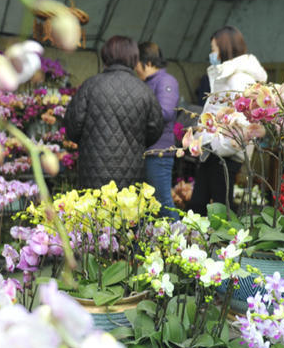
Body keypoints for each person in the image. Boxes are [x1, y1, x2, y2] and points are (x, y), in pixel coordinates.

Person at [64, 36, 163, 189]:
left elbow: (72, 127)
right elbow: (155, 129)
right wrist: (135, 144)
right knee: (127, 211)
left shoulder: (89, 86)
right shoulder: (144, 91)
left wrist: (90, 144)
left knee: (94, 210)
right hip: (132, 172)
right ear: (134, 58)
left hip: (92, 171)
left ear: (106, 55)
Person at [188, 26, 267, 214]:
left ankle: (223, 243)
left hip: (223, 154)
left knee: (222, 211)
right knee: (199, 205)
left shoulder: (237, 79)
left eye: (214, 49)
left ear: (225, 49)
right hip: (213, 150)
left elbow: (243, 120)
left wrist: (218, 145)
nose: (211, 54)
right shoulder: (225, 76)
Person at [136, 42, 180, 219]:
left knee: (162, 203)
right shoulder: (150, 82)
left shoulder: (166, 81)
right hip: (149, 151)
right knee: (149, 205)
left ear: (147, 63)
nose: (135, 69)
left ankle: (180, 242)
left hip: (159, 152)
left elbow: (166, 112)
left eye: (136, 64)